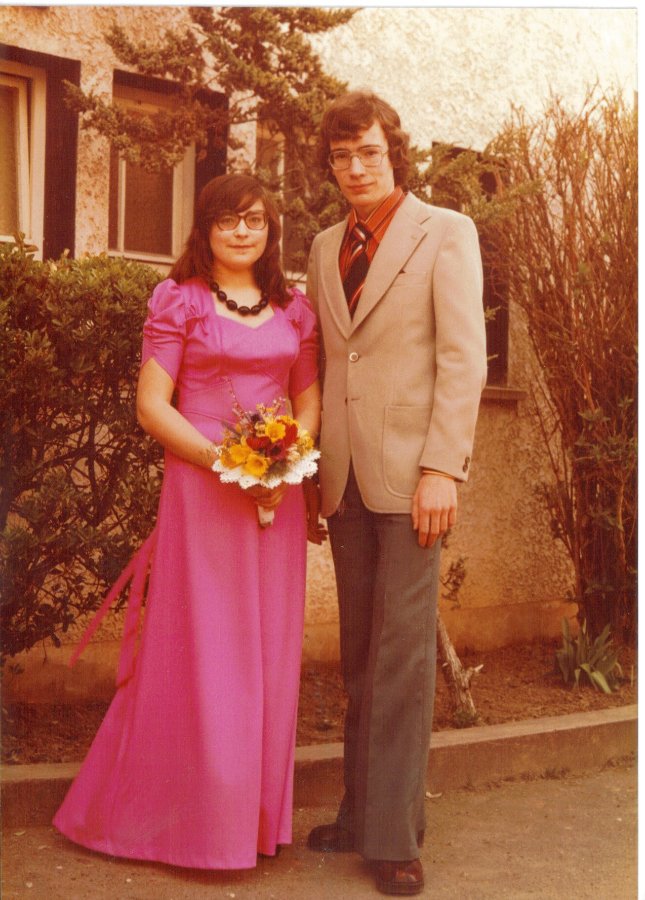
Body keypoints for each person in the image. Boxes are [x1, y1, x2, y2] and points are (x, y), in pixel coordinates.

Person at [54, 173, 322, 869]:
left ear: (271, 230)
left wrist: (282, 464)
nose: (242, 231)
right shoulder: (180, 300)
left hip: (275, 495)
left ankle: (251, 824)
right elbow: (152, 405)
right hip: (203, 489)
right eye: (227, 220)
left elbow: (308, 399)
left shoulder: (294, 309)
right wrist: (225, 462)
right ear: (204, 230)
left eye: (255, 220)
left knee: (267, 650)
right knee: (206, 650)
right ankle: (192, 827)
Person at [305, 91, 487, 895]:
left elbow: (463, 358)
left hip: (416, 478)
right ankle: (359, 812)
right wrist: (311, 467)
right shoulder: (323, 246)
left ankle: (394, 839)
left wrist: (442, 467)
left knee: (402, 660)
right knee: (358, 656)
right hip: (344, 476)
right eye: (341, 157)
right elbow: (328, 362)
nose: (355, 169)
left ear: (394, 154)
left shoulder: (444, 231)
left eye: (368, 153)